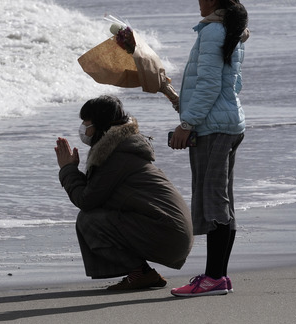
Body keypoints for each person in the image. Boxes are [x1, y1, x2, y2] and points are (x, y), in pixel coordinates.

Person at [54, 95, 194, 291]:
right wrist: (73, 170)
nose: (83, 129)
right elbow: (96, 192)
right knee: (96, 215)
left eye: (86, 123)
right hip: (171, 233)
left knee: (88, 220)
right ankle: (142, 273)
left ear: (99, 125)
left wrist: (67, 170)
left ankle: (140, 274)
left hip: (169, 235)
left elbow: (86, 200)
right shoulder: (121, 148)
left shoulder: (116, 156)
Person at [167, 0, 250, 297]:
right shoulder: (232, 31)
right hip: (228, 123)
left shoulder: (214, 32)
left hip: (213, 128)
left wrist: (187, 124)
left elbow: (209, 85)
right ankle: (219, 276)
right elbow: (233, 83)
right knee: (222, 201)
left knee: (214, 202)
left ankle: (214, 278)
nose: (197, 3)